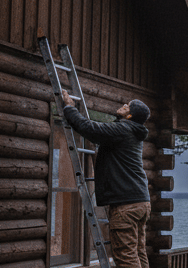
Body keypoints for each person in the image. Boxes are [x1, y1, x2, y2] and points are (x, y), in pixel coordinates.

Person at [61, 89, 151, 268]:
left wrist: (70, 108)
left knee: (126, 257)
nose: (124, 105)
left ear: (130, 115)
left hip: (126, 205)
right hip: (140, 202)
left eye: (128, 106)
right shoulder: (132, 132)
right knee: (138, 252)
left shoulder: (123, 129)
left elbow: (88, 128)